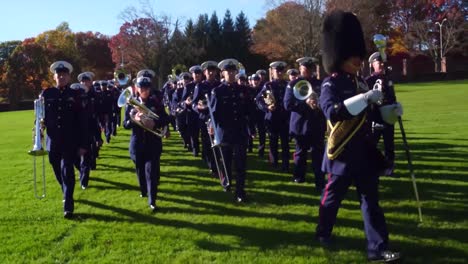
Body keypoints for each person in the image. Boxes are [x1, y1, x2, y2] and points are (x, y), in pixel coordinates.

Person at [315, 10, 400, 262]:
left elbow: (372, 116)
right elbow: (333, 112)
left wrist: (390, 112)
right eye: (351, 55)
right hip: (341, 152)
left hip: (364, 152)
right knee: (331, 200)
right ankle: (323, 232)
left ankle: (378, 248)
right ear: (338, 56)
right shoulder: (330, 84)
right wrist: (364, 98)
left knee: (371, 203)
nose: (357, 60)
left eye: (358, 56)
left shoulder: (361, 82)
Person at [41, 61, 88, 218]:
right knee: (56, 167)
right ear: (54, 76)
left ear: (69, 77)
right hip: (52, 141)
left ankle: (68, 204)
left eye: (64, 75)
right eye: (58, 74)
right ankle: (66, 191)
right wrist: (39, 129)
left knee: (67, 170)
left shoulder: (76, 95)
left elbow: (83, 121)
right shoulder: (46, 94)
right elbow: (40, 117)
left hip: (70, 140)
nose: (61, 77)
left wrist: (83, 144)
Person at [123, 76, 170, 212]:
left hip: (153, 144)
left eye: (146, 88)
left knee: (152, 172)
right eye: (141, 88)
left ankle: (152, 200)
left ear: (150, 89)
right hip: (137, 144)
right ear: (137, 89)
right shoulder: (131, 104)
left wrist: (155, 123)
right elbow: (125, 124)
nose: (144, 90)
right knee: (140, 171)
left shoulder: (156, 103)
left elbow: (167, 118)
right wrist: (134, 119)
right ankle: (144, 190)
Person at [210, 58, 251, 202]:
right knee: (226, 161)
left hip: (239, 131)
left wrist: (250, 128)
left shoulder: (243, 90)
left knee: (240, 163)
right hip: (225, 132)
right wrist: (213, 129)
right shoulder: (218, 91)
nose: (231, 74)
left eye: (233, 71)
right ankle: (226, 182)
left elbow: (249, 110)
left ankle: (240, 191)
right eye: (228, 72)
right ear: (223, 73)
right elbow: (213, 113)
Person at [284, 56, 326, 190]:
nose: (306, 70)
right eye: (304, 68)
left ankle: (319, 179)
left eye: (309, 68)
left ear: (313, 69)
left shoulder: (321, 83)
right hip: (300, 124)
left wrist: (319, 105)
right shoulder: (293, 84)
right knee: (300, 153)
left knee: (318, 154)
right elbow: (288, 104)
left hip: (317, 123)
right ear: (300, 68)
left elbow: (326, 101)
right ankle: (299, 177)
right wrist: (306, 103)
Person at [365, 52, 399, 176]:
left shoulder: (388, 78)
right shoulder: (368, 80)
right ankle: (371, 167)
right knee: (372, 144)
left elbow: (392, 96)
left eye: (383, 63)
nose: (382, 65)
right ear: (372, 64)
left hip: (388, 116)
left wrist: (395, 105)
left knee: (389, 145)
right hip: (375, 117)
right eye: (379, 63)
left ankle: (389, 168)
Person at [256, 61, 290, 171]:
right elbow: (259, 99)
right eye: (277, 71)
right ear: (273, 72)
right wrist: (266, 108)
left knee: (285, 143)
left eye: (281, 71)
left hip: (284, 118)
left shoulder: (288, 85)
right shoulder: (268, 85)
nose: (279, 73)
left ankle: (285, 165)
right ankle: (274, 163)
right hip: (272, 118)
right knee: (273, 142)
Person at [192, 61, 221, 176]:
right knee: (207, 143)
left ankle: (218, 162)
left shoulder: (219, 85)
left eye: (213, 71)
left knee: (219, 142)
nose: (211, 73)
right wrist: (199, 107)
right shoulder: (200, 86)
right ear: (205, 72)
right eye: (208, 71)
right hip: (205, 118)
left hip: (218, 118)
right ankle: (212, 166)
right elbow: (194, 103)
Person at [74, 72, 102, 188]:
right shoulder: (74, 96)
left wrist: (98, 135)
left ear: (91, 82)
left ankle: (84, 181)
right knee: (75, 157)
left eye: (87, 81)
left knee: (87, 155)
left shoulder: (94, 95)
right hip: (75, 132)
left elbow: (95, 114)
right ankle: (82, 170)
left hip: (89, 129)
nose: (85, 83)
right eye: (83, 81)